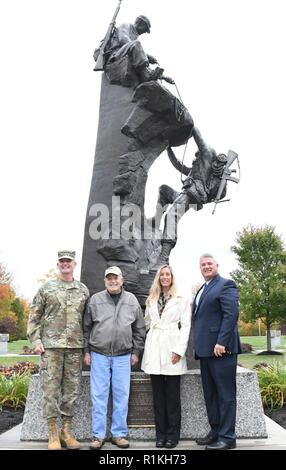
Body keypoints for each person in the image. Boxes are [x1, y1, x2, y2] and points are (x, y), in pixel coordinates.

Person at [27, 250, 89, 450]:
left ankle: (66, 431)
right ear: (58, 264)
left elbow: (87, 321)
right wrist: (36, 340)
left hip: (74, 348)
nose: (65, 264)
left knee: (71, 391)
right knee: (51, 391)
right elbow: (34, 317)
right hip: (51, 348)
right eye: (62, 261)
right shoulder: (47, 288)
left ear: (74, 264)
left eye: (68, 261)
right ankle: (52, 433)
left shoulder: (83, 290)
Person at [83, 266, 146, 450]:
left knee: (121, 396)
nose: (112, 281)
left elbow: (139, 330)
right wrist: (86, 351)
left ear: (122, 279)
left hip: (123, 356)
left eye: (115, 278)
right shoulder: (95, 300)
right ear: (105, 281)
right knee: (99, 396)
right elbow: (86, 328)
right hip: (99, 355)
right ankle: (98, 435)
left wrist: (136, 352)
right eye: (109, 278)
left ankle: (119, 434)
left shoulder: (131, 300)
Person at [192, 254, 242, 450]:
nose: (206, 267)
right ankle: (216, 431)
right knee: (211, 395)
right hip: (205, 352)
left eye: (209, 264)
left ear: (216, 265)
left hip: (221, 351)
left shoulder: (226, 284)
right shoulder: (203, 289)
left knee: (225, 395)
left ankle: (228, 437)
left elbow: (231, 314)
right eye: (203, 264)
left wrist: (222, 342)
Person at [141, 265, 191, 448]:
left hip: (172, 346)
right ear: (158, 278)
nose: (164, 277)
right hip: (154, 348)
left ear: (172, 277)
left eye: (167, 274)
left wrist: (179, 350)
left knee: (172, 398)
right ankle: (160, 434)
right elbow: (147, 322)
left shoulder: (181, 298)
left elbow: (185, 326)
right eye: (161, 275)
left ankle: (172, 435)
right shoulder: (151, 299)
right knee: (158, 398)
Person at [100, 15, 164, 83]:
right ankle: (146, 74)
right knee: (136, 44)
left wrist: (147, 57)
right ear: (140, 24)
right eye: (145, 29)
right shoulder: (126, 26)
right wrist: (147, 56)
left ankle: (147, 73)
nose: (144, 32)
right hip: (116, 55)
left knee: (136, 46)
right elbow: (123, 40)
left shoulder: (135, 35)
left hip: (123, 54)